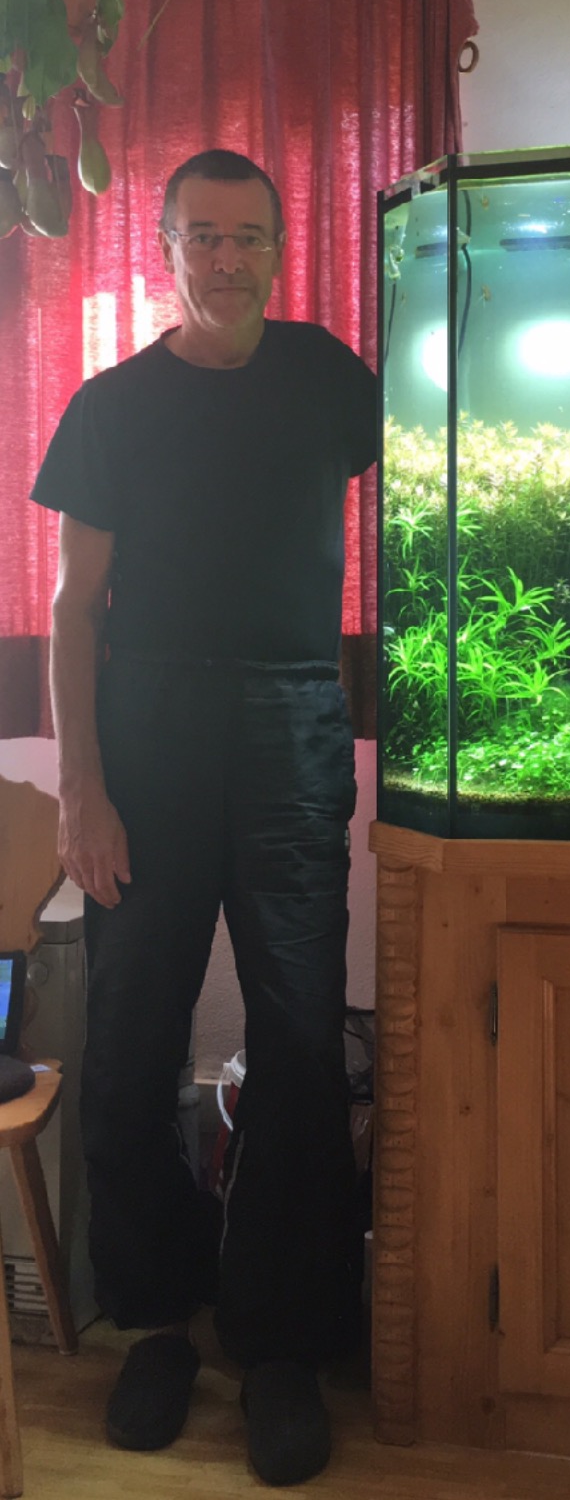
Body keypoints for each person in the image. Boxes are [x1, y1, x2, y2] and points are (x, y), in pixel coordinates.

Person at [30, 148, 379, 1487]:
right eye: (203, 236)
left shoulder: (331, 379)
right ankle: (161, 1323)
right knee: (127, 1047)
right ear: (165, 248)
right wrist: (84, 791)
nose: (227, 259)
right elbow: (75, 610)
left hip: (293, 722)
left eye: (250, 236)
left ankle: (281, 1342)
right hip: (150, 734)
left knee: (298, 1043)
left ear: (282, 247)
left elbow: (429, 498)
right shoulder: (112, 406)